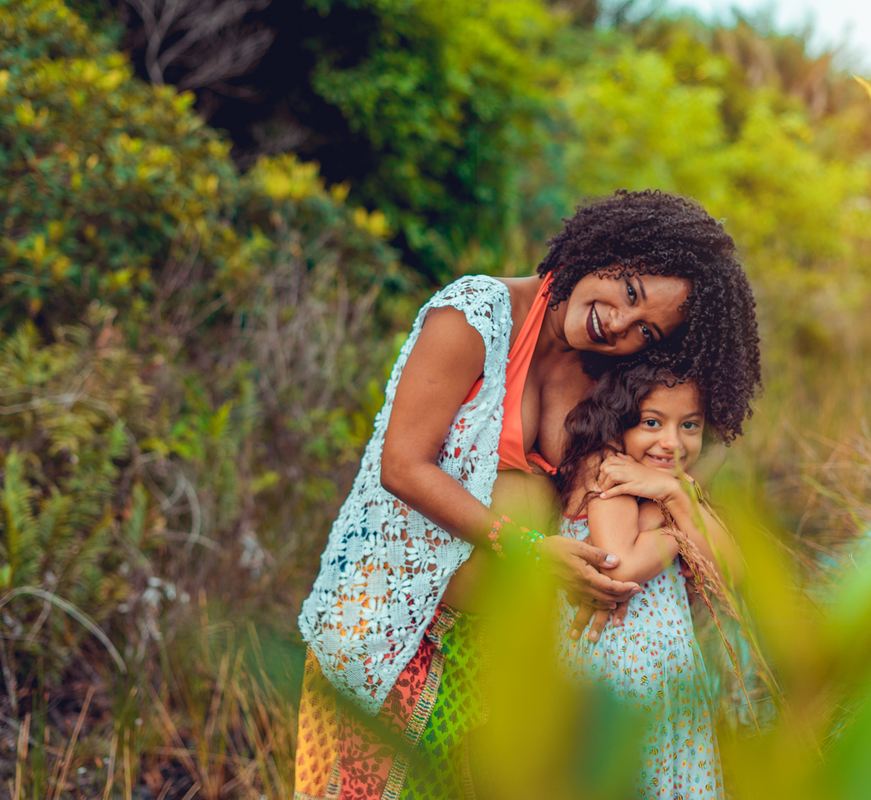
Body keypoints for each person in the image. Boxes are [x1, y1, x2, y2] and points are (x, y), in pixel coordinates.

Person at [293, 190, 761, 800]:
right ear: (610, 250)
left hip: (507, 654)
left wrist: (672, 504)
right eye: (630, 292)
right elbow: (403, 466)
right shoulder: (476, 316)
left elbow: (671, 531)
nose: (618, 322)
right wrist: (527, 549)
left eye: (645, 328)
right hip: (395, 630)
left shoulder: (610, 379)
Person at [553, 357, 754, 800]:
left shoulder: (667, 484)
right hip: (611, 675)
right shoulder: (607, 466)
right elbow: (617, 567)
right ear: (618, 420)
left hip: (664, 683)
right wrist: (676, 532)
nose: (671, 442)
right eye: (651, 421)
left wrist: (674, 494)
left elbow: (732, 572)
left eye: (690, 425)